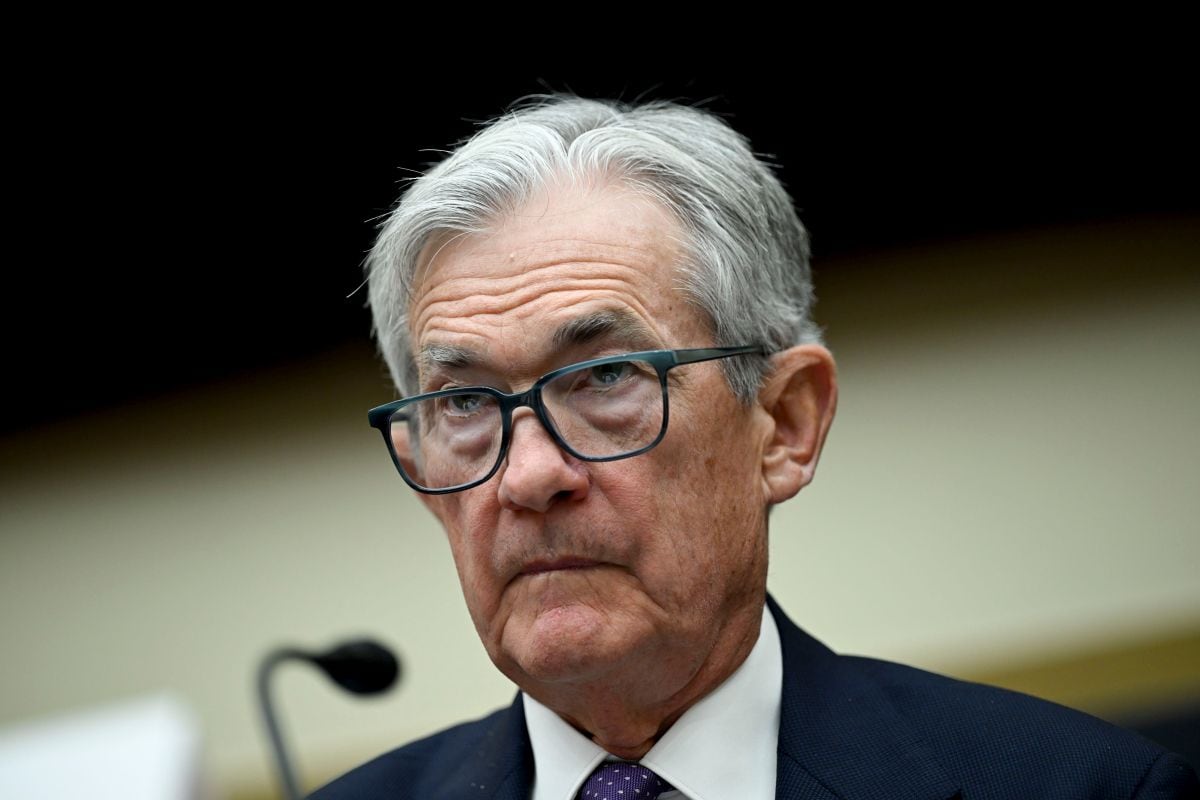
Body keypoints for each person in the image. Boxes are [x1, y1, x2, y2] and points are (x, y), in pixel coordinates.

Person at [312, 96, 1198, 799]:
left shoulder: (1080, 786)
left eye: (607, 378)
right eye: (466, 402)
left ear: (784, 424)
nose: (532, 474)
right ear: (429, 479)